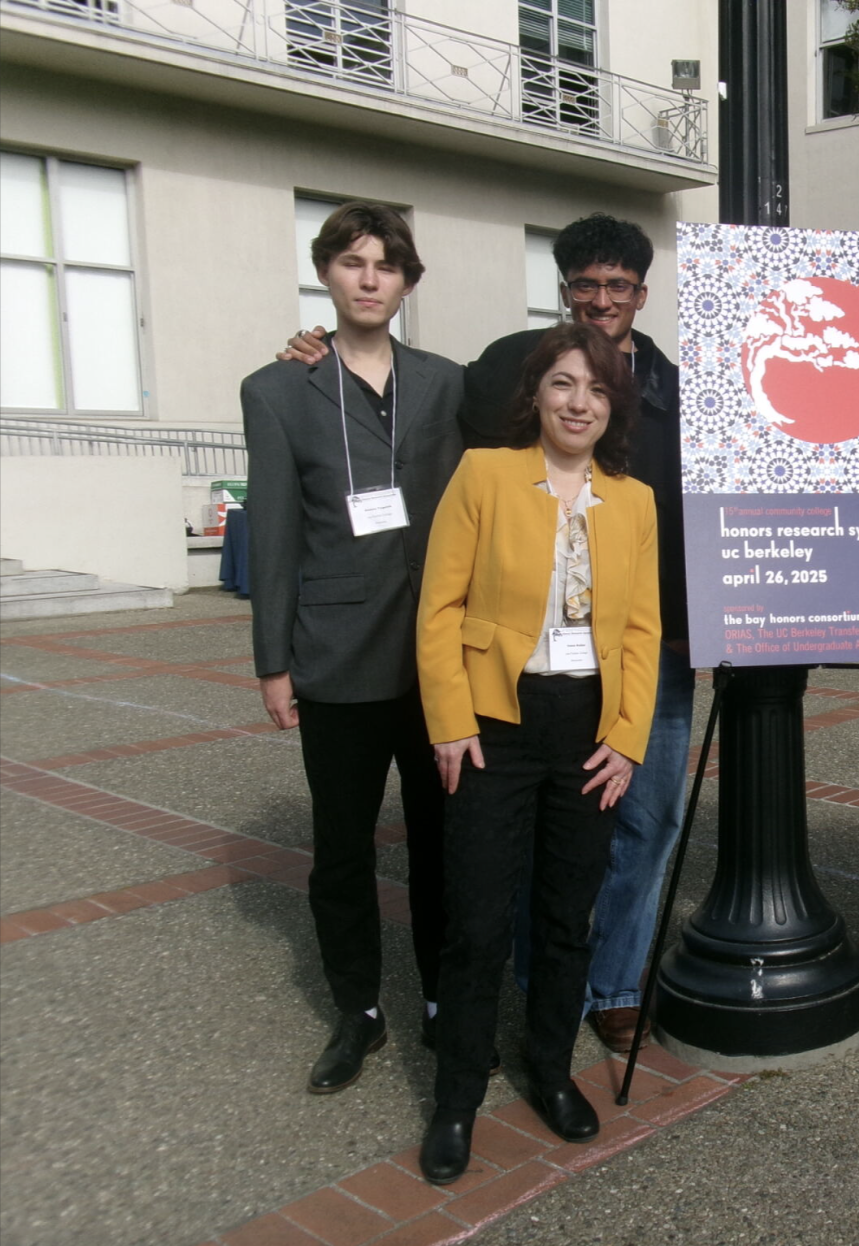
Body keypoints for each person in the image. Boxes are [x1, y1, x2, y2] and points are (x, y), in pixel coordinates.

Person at [283, 213, 690, 1053]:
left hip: (647, 646)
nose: (603, 300)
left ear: (642, 296)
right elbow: (408, 398)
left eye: (619, 286)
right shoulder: (513, 366)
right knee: (542, 837)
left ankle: (610, 984)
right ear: (566, 292)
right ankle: (538, 986)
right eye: (587, 285)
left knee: (644, 822)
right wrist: (321, 357)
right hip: (527, 658)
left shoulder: (682, 392)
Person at [414, 322, 660, 1184]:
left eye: (595, 389)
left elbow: (641, 629)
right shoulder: (484, 473)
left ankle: (551, 1070)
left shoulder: (632, 499)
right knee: (479, 918)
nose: (578, 402)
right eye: (562, 384)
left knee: (567, 915)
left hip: (589, 725)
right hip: (495, 722)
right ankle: (455, 1100)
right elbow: (439, 606)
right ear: (537, 395)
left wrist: (626, 739)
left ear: (612, 406)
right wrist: (450, 720)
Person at [241, 202, 463, 1092]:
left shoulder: (448, 382)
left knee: (443, 843)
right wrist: (271, 661)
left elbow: (553, 394)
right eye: (352, 262)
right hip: (334, 656)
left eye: (387, 265)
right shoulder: (277, 389)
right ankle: (358, 1010)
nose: (370, 278)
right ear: (326, 274)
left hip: (438, 659)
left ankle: (448, 1001)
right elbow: (275, 533)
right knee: (342, 850)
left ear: (408, 282)